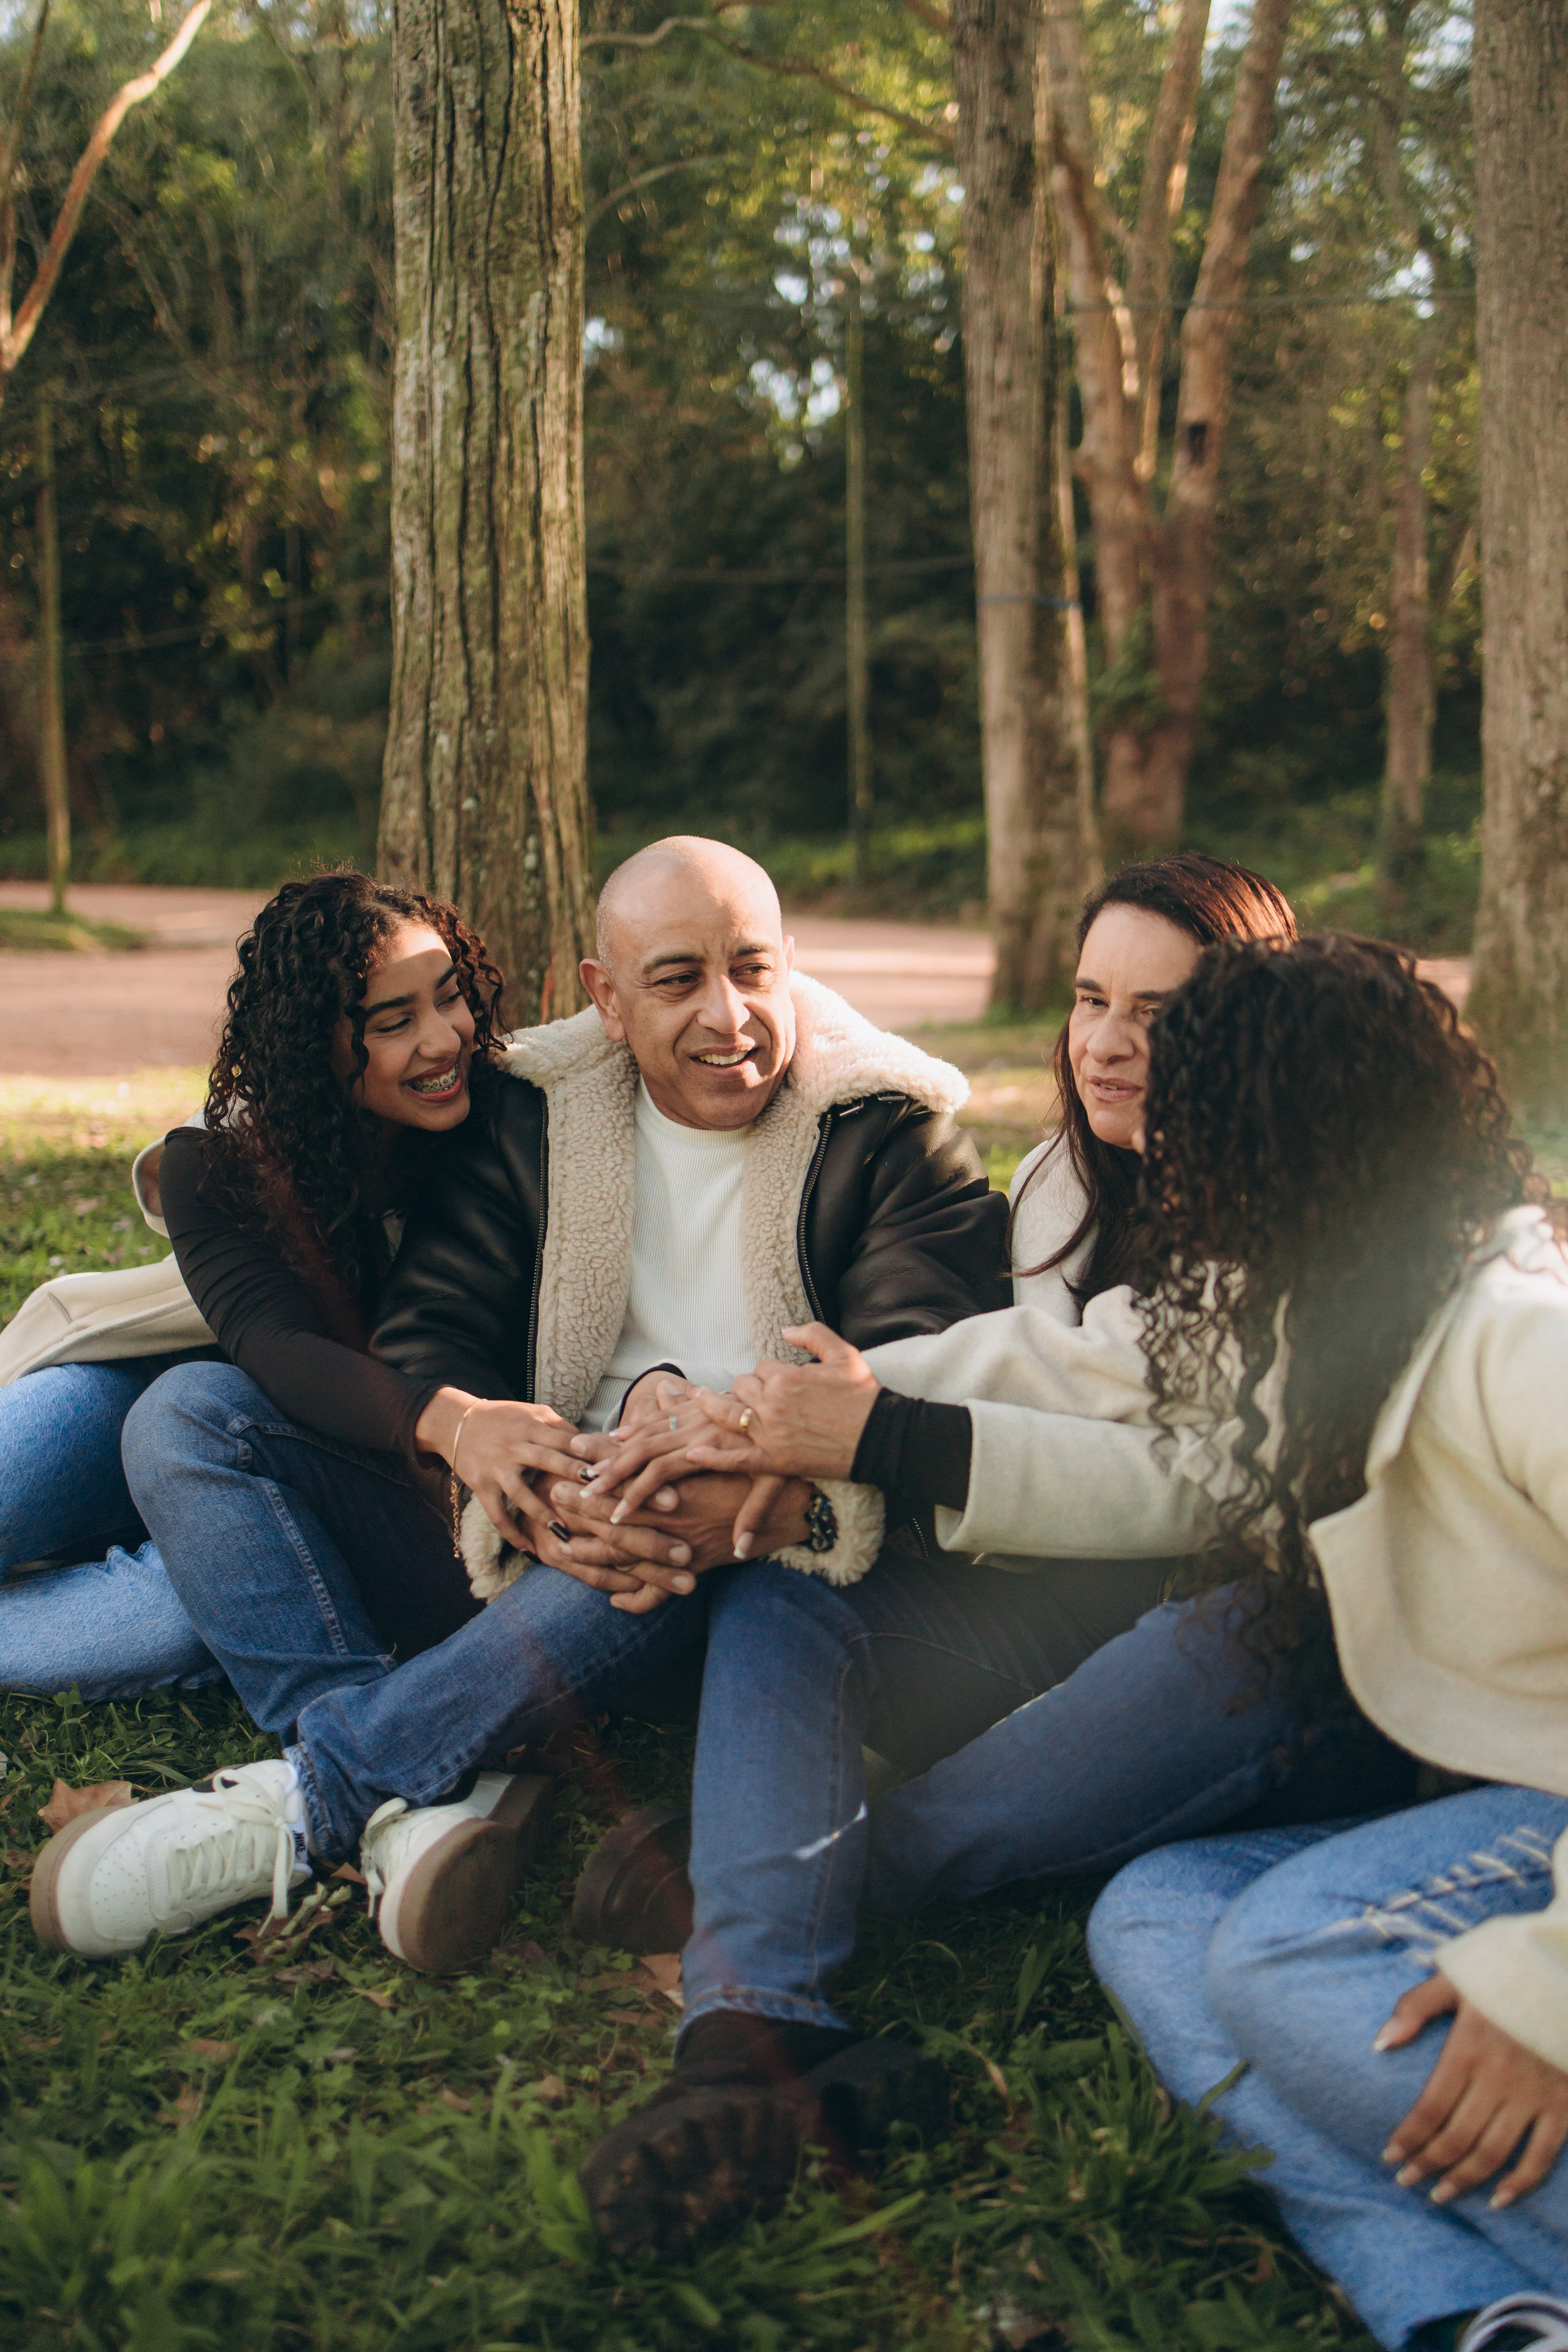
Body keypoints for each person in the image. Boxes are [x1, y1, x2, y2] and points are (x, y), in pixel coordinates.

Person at [669, 933, 1568, 2344]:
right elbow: (1094, 1397)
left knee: (1274, 1956)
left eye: (1204, 1147)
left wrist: (1543, 1994)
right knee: (1149, 1923)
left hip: (1545, 1803)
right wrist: (775, 1420)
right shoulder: (1326, 1314)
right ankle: (1468, 2310)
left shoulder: (1520, 1337)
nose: (1181, 1189)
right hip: (1472, 1791)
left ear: (1292, 1151)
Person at [557, 867, 1419, 2261]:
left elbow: (1200, 1480)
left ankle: (766, 1868)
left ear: (1250, 1024)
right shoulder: (1058, 1185)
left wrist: (868, 1428)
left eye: (1160, 1012)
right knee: (792, 1586)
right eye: (1089, 999)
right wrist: (774, 1426)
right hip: (1054, 1602)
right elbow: (1031, 1378)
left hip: (1256, 1648)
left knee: (1233, 1633)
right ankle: (751, 2038)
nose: (1109, 1043)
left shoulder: (1304, 1207)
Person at [32, 836, 1006, 1988]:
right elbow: (427, 1327)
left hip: (739, 1554)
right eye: (678, 979)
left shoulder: (890, 1133)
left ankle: (318, 1797)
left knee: (670, 1509)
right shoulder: (535, 1117)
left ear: (790, 961)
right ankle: (425, 1798)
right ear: (606, 998)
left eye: (752, 969)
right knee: (191, 1412)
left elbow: (918, 1370)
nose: (728, 1015)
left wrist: (730, 1446)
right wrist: (517, 1470)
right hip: (524, 1517)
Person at [0, 868, 490, 1700]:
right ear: (314, 1043)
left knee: (175, 1618)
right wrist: (457, 1421)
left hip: (283, 1469)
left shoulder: (502, 1125)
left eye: (450, 998)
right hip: (134, 1392)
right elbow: (278, 1344)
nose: (444, 1039)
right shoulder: (222, 1157)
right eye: (393, 1022)